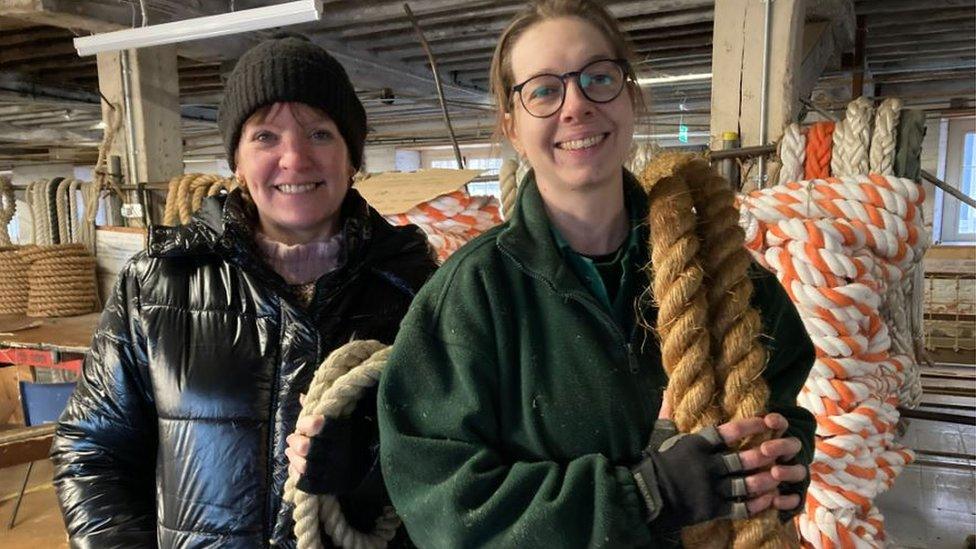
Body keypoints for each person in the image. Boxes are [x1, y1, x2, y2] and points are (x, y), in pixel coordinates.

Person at [371, 1, 817, 546]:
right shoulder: (470, 298)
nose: (576, 105)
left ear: (630, 97)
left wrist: (783, 461)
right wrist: (644, 495)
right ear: (512, 127)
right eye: (543, 90)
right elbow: (446, 507)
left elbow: (780, 394)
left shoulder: (720, 272)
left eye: (598, 78)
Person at [51, 35, 437, 548]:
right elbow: (92, 450)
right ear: (236, 159)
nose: (294, 158)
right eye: (265, 137)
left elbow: (458, 454)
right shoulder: (156, 284)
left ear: (352, 158)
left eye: (320, 134)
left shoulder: (416, 289)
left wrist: (370, 465)